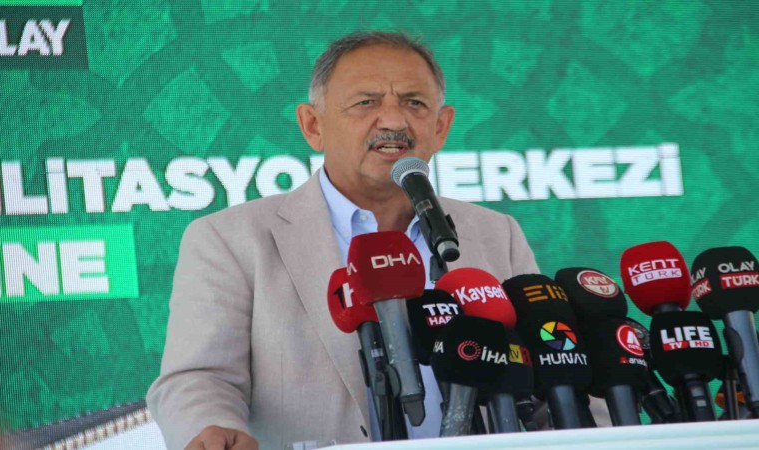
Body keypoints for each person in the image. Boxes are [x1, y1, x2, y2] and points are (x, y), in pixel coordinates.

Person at [147, 31, 607, 450]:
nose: (393, 119)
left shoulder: (495, 233)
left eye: (414, 103)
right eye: (365, 103)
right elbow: (198, 379)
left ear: (441, 127)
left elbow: (549, 373)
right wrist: (210, 427)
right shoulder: (230, 239)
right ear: (313, 126)